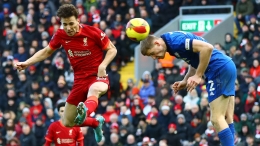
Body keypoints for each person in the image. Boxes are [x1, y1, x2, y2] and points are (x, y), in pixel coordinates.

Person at [15, 4, 117, 143]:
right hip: (80, 81)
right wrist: (27, 63)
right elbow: (46, 51)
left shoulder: (93, 32)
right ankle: (95, 123)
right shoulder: (60, 35)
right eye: (64, 24)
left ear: (78, 20)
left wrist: (102, 65)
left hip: (98, 77)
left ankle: (85, 112)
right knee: (68, 121)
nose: (68, 27)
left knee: (94, 90)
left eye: (71, 23)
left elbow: (112, 49)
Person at [140, 31, 236, 146]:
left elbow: (207, 48)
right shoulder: (170, 44)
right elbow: (194, 60)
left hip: (218, 70)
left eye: (152, 54)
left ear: (157, 43)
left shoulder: (175, 42)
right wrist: (185, 80)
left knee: (216, 119)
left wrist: (198, 75)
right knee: (226, 117)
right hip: (226, 66)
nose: (154, 58)